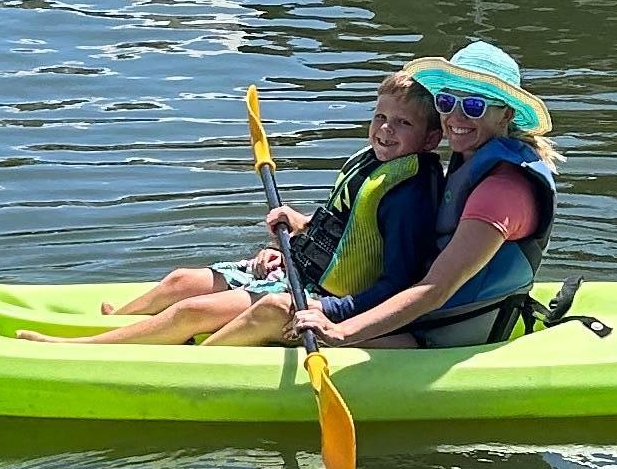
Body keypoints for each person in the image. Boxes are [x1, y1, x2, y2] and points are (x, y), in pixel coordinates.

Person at [80, 66, 445, 346]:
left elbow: (400, 281)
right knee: (181, 280)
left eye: (402, 123)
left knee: (191, 311)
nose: (385, 129)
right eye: (380, 117)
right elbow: (347, 235)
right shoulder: (379, 166)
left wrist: (330, 310)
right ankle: (118, 326)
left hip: (322, 297)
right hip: (298, 271)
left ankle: (85, 351)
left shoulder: (408, 196)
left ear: (430, 138)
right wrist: (298, 227)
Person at [295, 38, 558, 354]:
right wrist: (303, 224)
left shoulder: (501, 191)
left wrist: (341, 332)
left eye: (474, 106)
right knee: (282, 308)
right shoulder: (470, 161)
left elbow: (436, 288)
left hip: (445, 336)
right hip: (426, 318)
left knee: (282, 324)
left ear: (505, 115)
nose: (456, 119)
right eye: (447, 102)